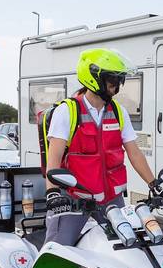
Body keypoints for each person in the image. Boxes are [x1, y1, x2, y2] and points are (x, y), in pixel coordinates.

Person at [44, 48, 157, 246]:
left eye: (119, 80)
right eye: (112, 79)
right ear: (93, 78)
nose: (117, 86)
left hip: (111, 198)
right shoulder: (67, 111)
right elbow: (53, 160)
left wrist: (153, 184)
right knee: (58, 250)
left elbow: (135, 152)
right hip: (74, 198)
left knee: (127, 248)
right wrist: (52, 193)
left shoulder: (118, 112)